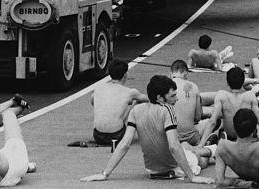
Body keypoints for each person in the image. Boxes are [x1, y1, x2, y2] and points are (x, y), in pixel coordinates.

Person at [81, 75, 214, 183]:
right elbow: (173, 146)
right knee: (200, 159)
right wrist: (192, 177)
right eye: (173, 96)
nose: (176, 98)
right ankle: (212, 149)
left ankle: (209, 149)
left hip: (152, 170)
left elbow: (124, 144)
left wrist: (105, 173)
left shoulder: (136, 110)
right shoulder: (168, 110)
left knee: (185, 145)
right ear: (160, 98)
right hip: (173, 169)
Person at [199, 67, 259, 147]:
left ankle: (218, 139)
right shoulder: (250, 96)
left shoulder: (221, 95)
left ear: (227, 83)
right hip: (247, 136)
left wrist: (201, 144)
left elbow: (212, 121)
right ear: (243, 81)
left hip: (230, 135)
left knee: (223, 127)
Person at [91, 60, 148, 146]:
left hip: (98, 136)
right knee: (137, 101)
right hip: (117, 136)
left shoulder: (98, 89)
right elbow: (149, 99)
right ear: (125, 75)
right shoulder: (130, 92)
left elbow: (93, 101)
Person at [170, 60, 213, 146]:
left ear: (171, 73)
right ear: (185, 73)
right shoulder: (193, 86)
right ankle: (205, 142)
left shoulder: (164, 86)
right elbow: (198, 117)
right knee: (212, 121)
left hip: (170, 137)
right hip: (191, 137)